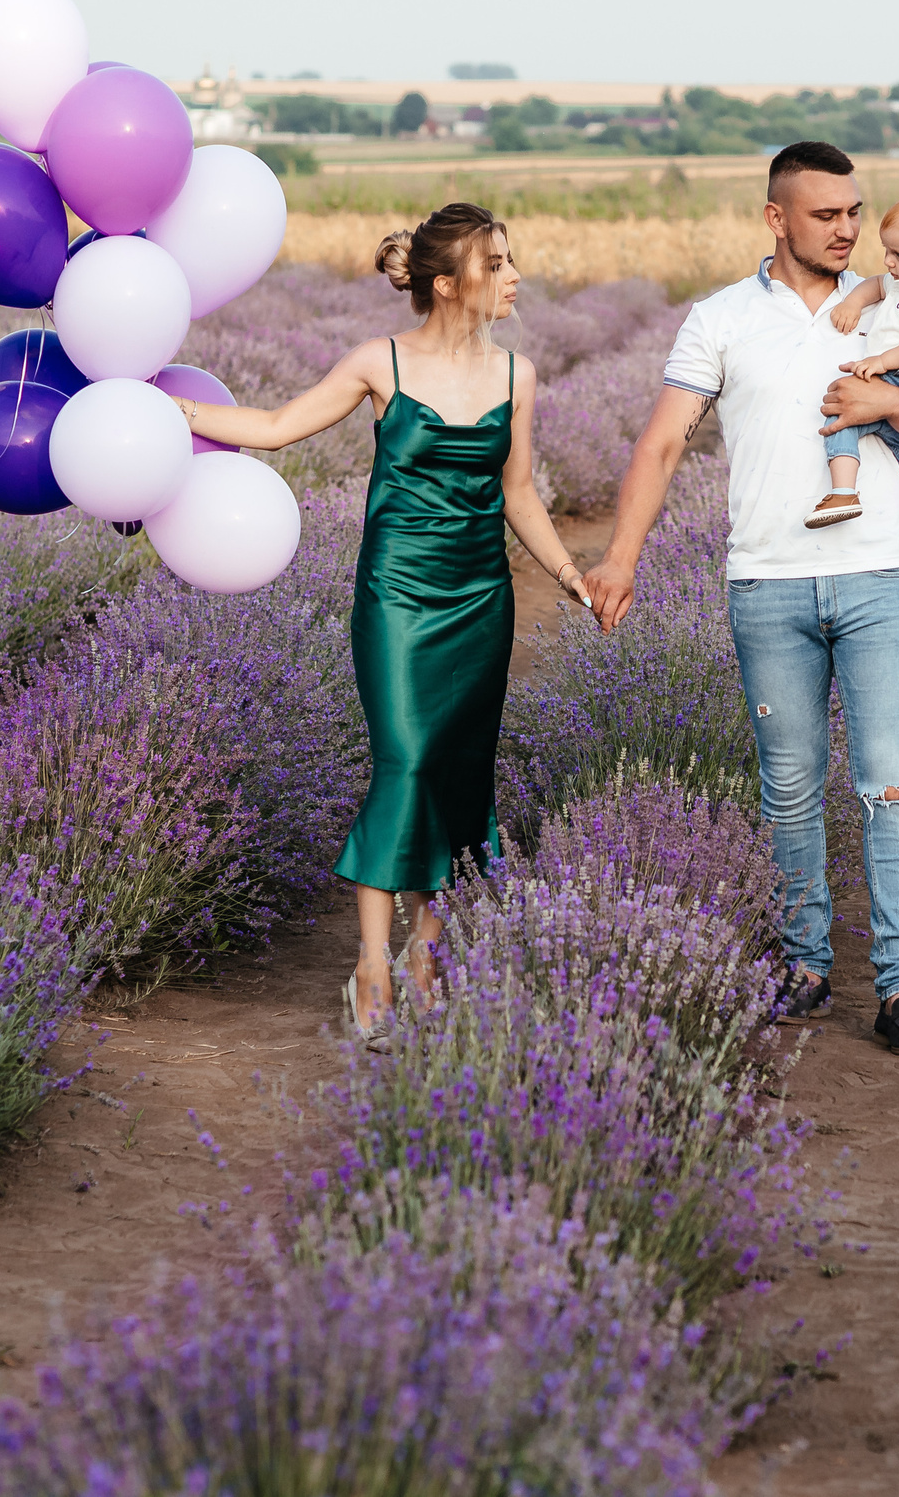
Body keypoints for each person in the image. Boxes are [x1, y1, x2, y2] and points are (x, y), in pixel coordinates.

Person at [585, 142, 899, 1057]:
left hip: (882, 578)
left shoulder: (888, 307)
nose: (847, 229)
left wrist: (885, 403)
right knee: (791, 789)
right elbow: (659, 447)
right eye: (826, 215)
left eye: (853, 212)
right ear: (777, 218)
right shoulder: (721, 319)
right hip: (766, 583)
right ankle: (804, 965)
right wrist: (621, 558)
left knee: (891, 788)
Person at [164, 203, 587, 1048]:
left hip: (479, 600)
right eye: (496, 263)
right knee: (408, 762)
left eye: (510, 260)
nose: (514, 277)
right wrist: (172, 412)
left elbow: (519, 493)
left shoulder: (519, 375)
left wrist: (571, 574)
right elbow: (279, 429)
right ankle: (371, 962)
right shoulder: (378, 362)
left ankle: (428, 956)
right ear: (446, 283)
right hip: (396, 594)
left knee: (461, 777)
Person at [808, 192, 899, 566]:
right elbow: (877, 285)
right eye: (887, 251)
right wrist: (853, 304)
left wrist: (881, 361)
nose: (888, 262)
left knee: (843, 414)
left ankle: (843, 491)